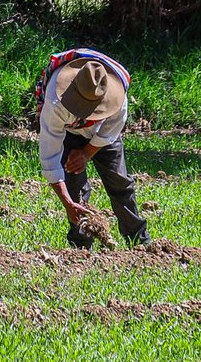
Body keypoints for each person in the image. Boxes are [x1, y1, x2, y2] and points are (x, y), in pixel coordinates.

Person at [34, 48, 150, 248]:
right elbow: (50, 159)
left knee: (120, 182)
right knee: (75, 188)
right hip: (69, 132)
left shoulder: (118, 99)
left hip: (102, 136)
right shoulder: (55, 103)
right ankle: (81, 247)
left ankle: (139, 242)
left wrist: (86, 153)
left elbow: (109, 132)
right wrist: (68, 204)